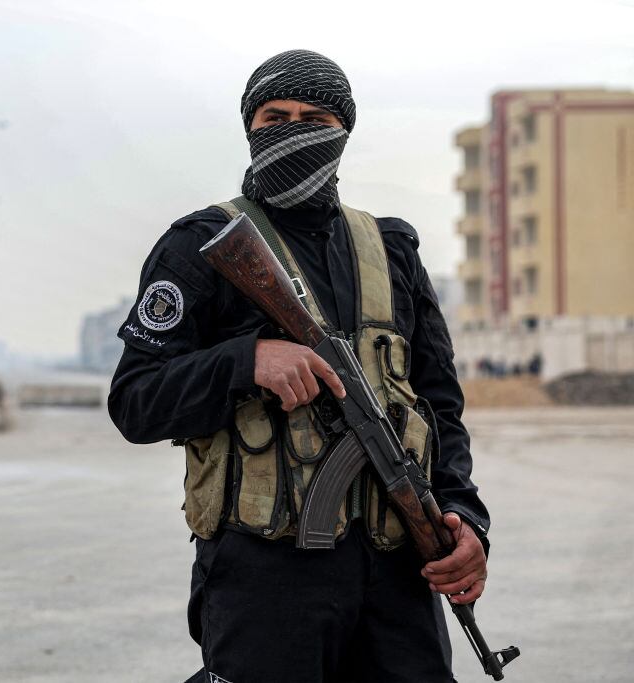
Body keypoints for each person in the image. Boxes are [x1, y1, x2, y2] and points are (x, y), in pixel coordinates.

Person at [109, 50, 490, 682]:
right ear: (249, 127)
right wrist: (244, 359)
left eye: (316, 118)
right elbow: (135, 401)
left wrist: (466, 519)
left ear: (345, 131)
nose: (295, 130)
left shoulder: (392, 248)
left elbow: (438, 405)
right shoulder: (202, 245)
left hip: (398, 572)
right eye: (274, 115)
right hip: (264, 577)